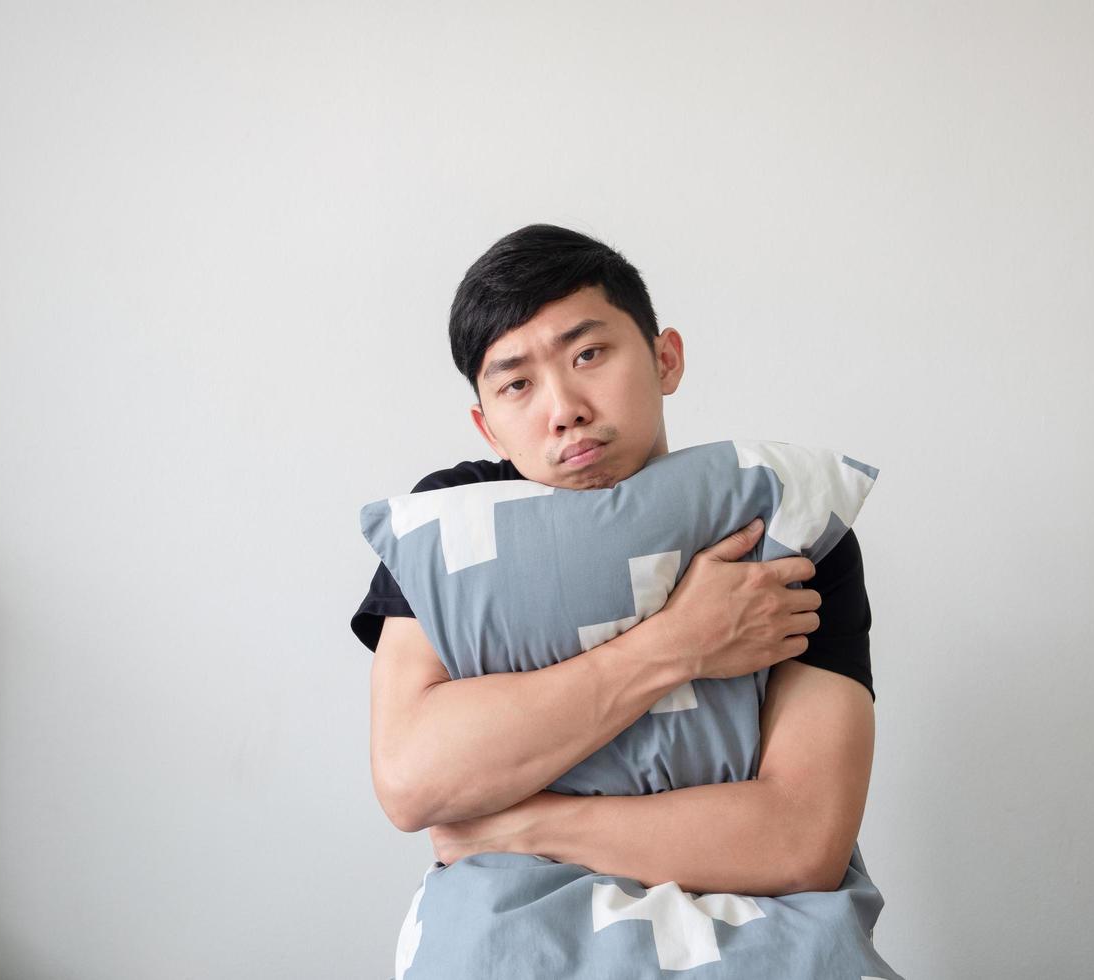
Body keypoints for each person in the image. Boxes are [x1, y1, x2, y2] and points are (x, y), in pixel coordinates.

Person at [351, 223, 876, 897]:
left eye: (589, 353)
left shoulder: (782, 524)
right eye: (516, 385)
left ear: (665, 360)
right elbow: (411, 780)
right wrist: (678, 644)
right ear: (486, 424)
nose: (564, 409)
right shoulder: (450, 521)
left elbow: (801, 844)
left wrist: (521, 830)